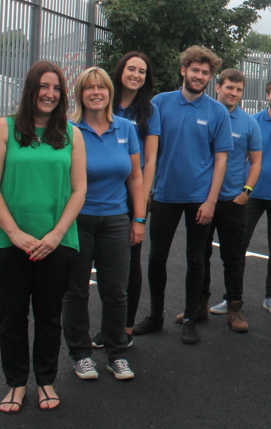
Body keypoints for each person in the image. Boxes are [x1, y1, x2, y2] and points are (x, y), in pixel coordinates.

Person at [0, 61, 86, 412]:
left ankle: (44, 380)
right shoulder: (3, 128)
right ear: (31, 90)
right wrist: (13, 232)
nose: (50, 94)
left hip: (56, 243)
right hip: (7, 241)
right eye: (44, 86)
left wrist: (57, 234)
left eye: (57, 88)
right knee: (12, 316)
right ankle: (15, 383)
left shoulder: (72, 134)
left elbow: (78, 190)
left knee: (49, 315)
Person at [132, 45, 233, 345]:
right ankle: (155, 315)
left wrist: (212, 201)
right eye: (195, 70)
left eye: (205, 72)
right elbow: (147, 152)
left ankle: (190, 318)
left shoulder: (217, 112)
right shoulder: (160, 103)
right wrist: (146, 189)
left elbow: (221, 159)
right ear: (183, 71)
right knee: (156, 258)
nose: (199, 76)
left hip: (199, 200)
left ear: (210, 78)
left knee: (196, 259)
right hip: (163, 196)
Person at [63, 67, 144, 381]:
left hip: (115, 220)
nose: (96, 92)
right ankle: (81, 355)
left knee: (115, 291)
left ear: (110, 93)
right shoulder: (69, 130)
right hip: (76, 220)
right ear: (80, 94)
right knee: (75, 292)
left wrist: (138, 219)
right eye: (89, 88)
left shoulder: (125, 128)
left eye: (102, 87)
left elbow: (136, 177)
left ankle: (116, 354)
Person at [210, 76, 271, 317]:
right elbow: (244, 159)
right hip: (250, 196)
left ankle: (270, 297)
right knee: (238, 246)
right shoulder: (252, 122)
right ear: (267, 95)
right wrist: (246, 189)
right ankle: (231, 298)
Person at [178, 68, 262, 331]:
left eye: (238, 89)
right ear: (217, 87)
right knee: (199, 255)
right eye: (229, 88)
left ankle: (235, 309)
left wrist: (246, 192)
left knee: (233, 256)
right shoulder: (206, 113)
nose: (234, 93)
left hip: (232, 202)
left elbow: (257, 162)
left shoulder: (249, 123)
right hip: (202, 200)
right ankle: (198, 306)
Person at [89, 52, 160, 348]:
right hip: (101, 192)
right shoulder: (103, 100)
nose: (136, 75)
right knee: (103, 266)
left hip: (134, 194)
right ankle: (107, 327)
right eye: (131, 69)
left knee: (130, 264)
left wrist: (140, 208)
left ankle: (125, 327)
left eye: (142, 71)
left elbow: (151, 159)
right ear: (120, 72)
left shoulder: (149, 111)